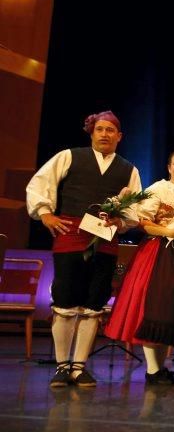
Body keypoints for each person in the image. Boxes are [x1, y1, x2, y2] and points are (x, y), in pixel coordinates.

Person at [26, 111, 141, 388]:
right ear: (92, 133)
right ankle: (62, 366)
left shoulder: (129, 169)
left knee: (93, 304)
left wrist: (120, 220)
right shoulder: (70, 156)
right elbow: (40, 184)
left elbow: (136, 209)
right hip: (71, 236)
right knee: (65, 301)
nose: (104, 134)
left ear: (119, 136)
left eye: (110, 130)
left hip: (105, 242)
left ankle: (79, 367)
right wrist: (45, 214)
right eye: (100, 129)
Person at [105, 150, 174, 385]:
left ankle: (160, 367)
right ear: (168, 167)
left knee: (169, 311)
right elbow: (143, 222)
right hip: (160, 253)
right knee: (156, 308)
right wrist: (167, 231)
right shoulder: (159, 188)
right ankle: (153, 370)